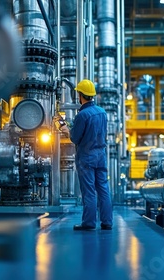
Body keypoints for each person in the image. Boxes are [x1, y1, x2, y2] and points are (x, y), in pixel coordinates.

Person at [59, 79, 113, 231]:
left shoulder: (82, 115)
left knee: (89, 190)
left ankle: (89, 223)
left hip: (86, 157)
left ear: (80, 95)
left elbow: (75, 138)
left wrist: (66, 129)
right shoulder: (102, 113)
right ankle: (107, 222)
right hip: (101, 156)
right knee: (103, 188)